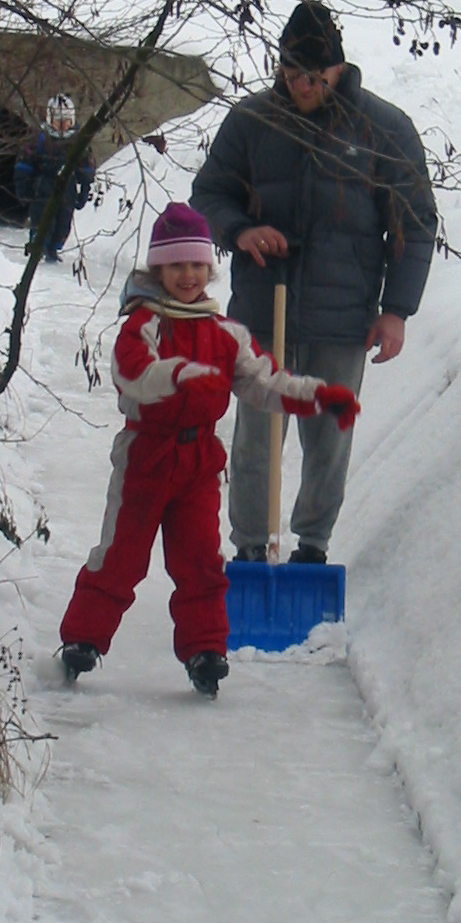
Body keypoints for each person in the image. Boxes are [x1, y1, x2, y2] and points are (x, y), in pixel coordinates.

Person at [58, 202, 360, 697]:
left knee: (200, 560)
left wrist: (318, 396)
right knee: (121, 556)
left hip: (198, 464)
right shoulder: (145, 323)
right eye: (177, 265)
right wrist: (175, 375)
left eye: (197, 265)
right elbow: (131, 373)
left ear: (209, 269)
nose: (188, 275)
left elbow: (265, 382)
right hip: (145, 458)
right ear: (158, 269)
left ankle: (205, 650)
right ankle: (83, 640)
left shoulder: (224, 333)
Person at [190, 0, 436, 564]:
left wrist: (396, 309)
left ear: (338, 69)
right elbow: (208, 195)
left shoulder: (383, 128)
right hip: (260, 311)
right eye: (291, 73)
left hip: (342, 316)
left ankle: (312, 547)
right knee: (256, 436)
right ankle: (250, 548)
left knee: (329, 435)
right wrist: (242, 231)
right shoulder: (251, 121)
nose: (301, 85)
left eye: (314, 75)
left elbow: (414, 222)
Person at [14, 92, 95, 260]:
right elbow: (24, 166)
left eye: (66, 122)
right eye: (59, 122)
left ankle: (54, 248)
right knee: (43, 222)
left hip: (67, 190)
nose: (63, 126)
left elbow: (86, 168)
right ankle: (38, 247)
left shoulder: (77, 141)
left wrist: (84, 190)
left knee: (63, 226)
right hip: (42, 189)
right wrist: (24, 190)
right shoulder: (40, 140)